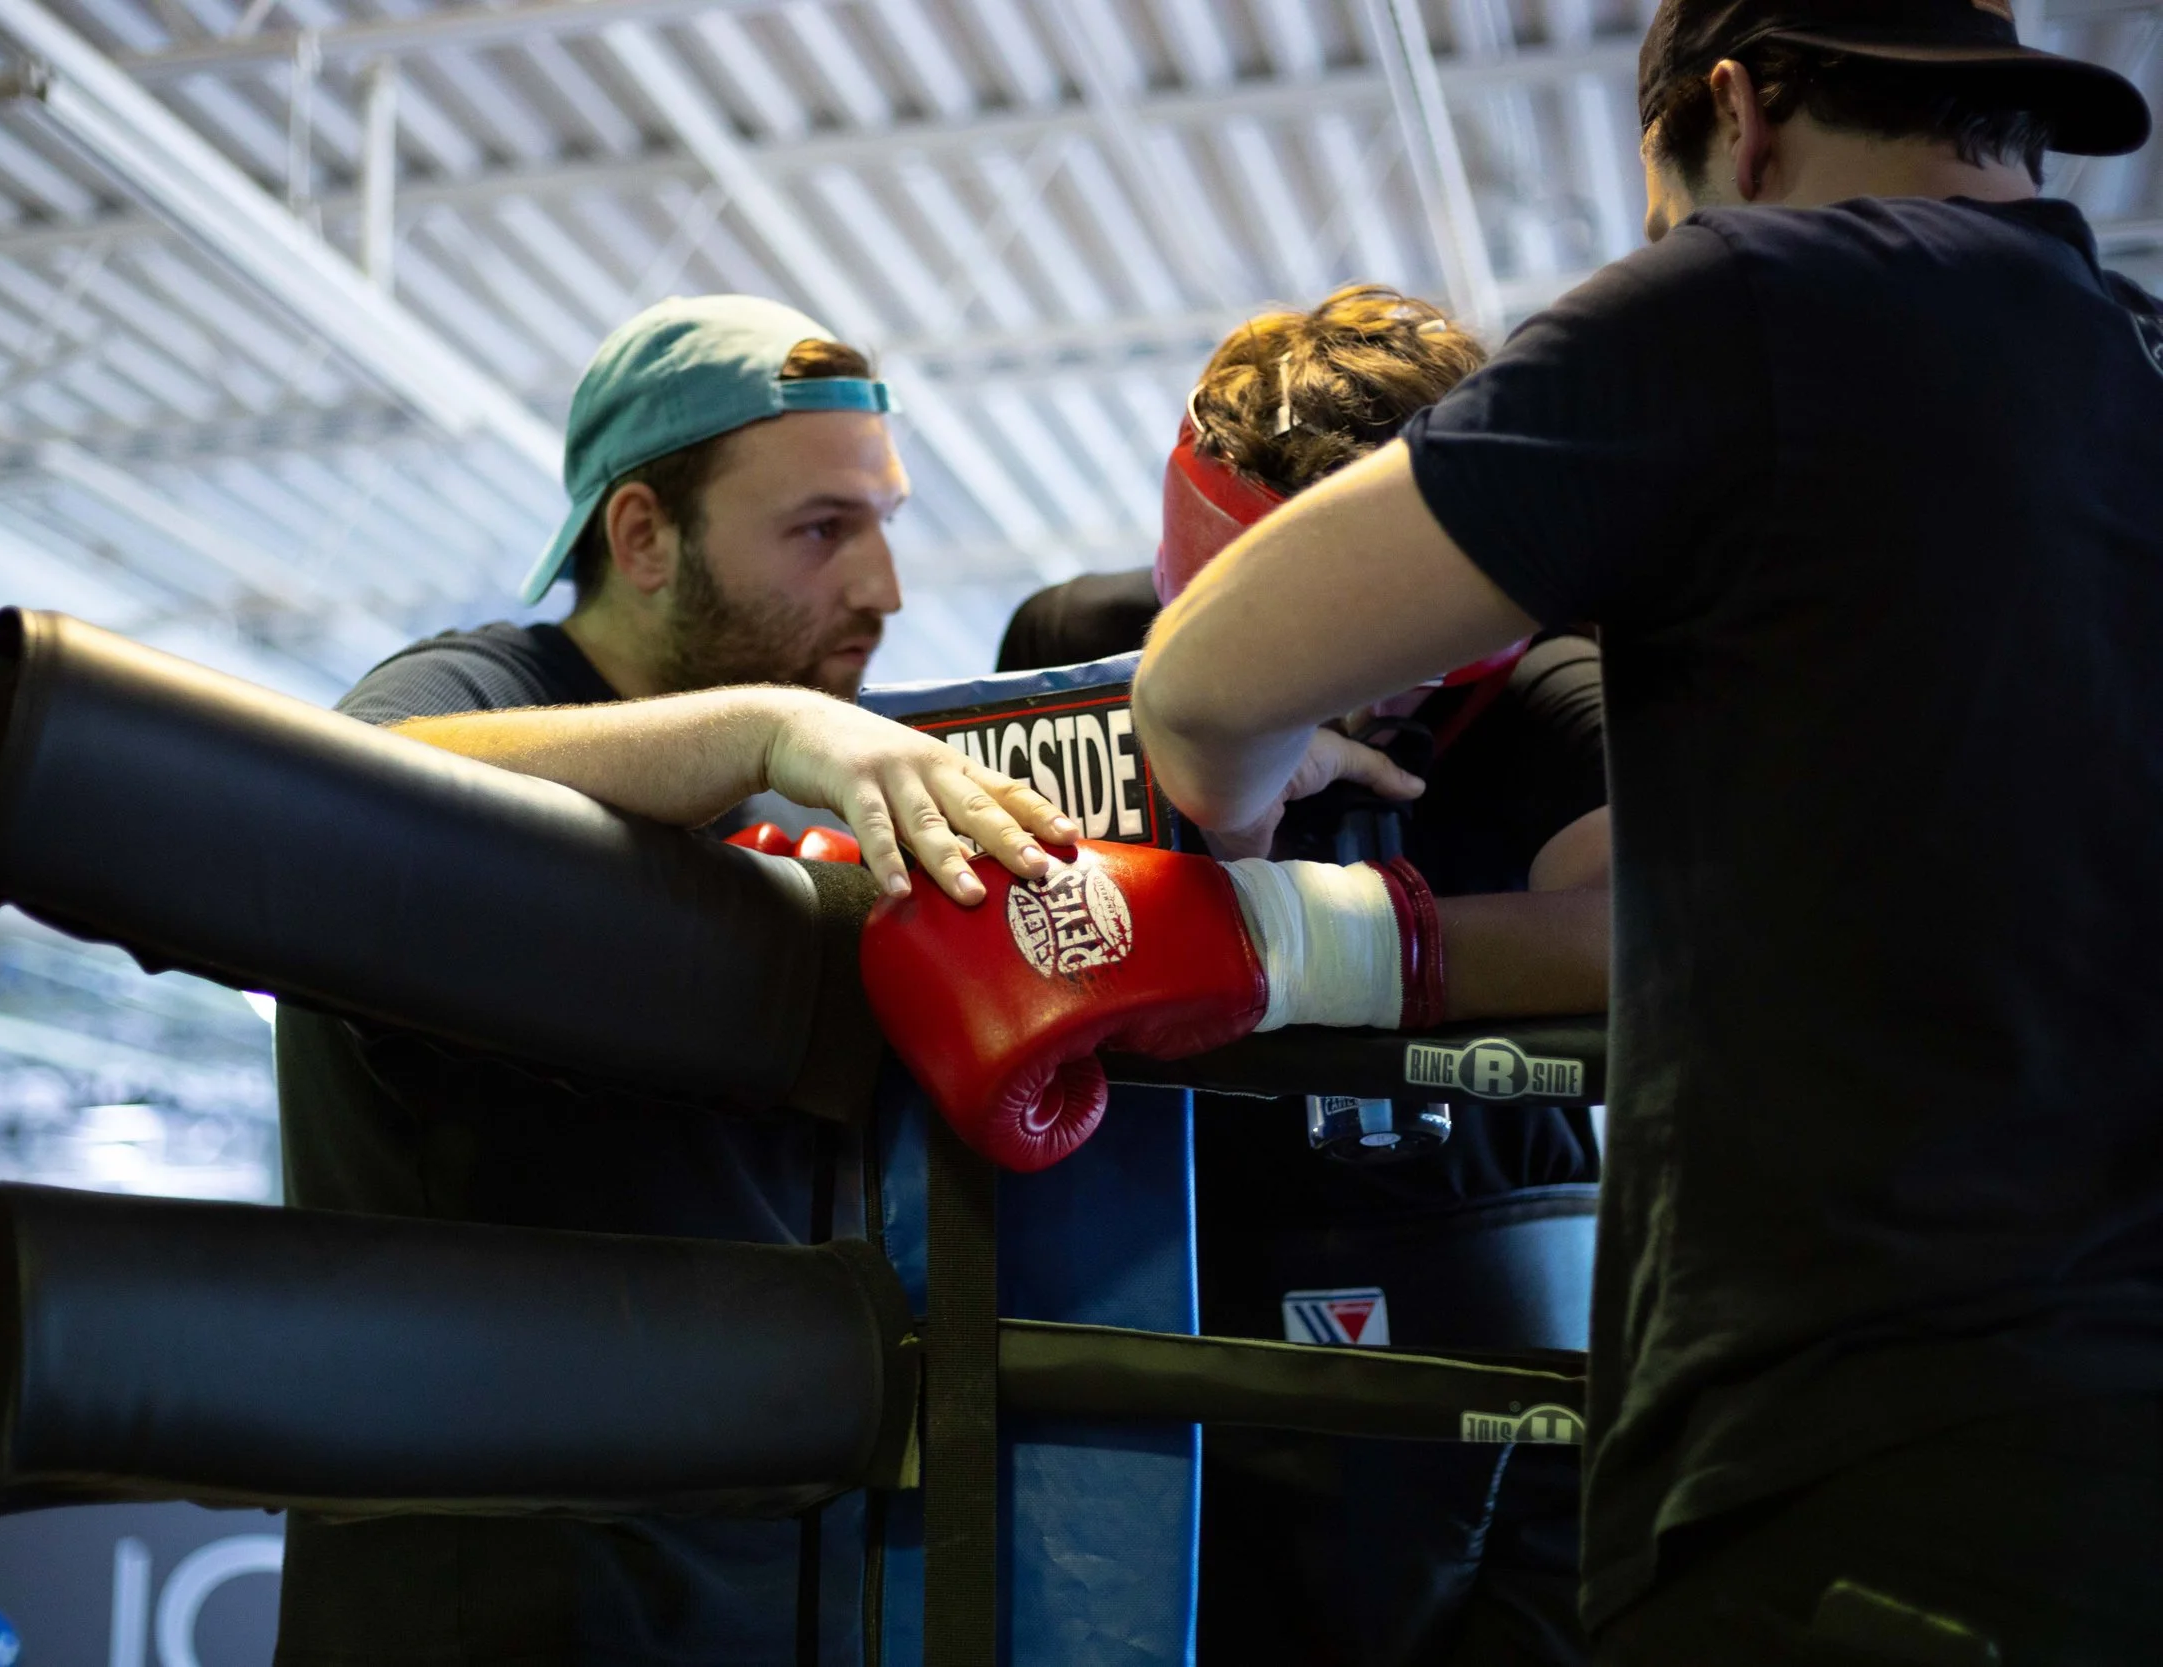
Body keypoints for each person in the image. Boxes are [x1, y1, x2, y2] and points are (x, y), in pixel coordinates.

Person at [1131, 3, 2162, 1662]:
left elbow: (1197, 683)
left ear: (1734, 116)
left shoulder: (1760, 291)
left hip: (1875, 1445)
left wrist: (1261, 899)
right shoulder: (2132, 361)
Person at [269, 295, 1072, 1666]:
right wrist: (766, 725)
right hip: (493, 1600)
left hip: (760, 1566)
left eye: (884, 522)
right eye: (823, 529)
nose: (882, 587)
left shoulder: (817, 786)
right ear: (642, 536)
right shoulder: (483, 682)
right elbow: (338, 791)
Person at [995, 286, 1610, 1665]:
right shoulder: (1075, 649)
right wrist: (1238, 769)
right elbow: (1009, 934)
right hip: (1155, 1303)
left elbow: (1647, 923)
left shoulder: (1548, 689)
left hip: (1493, 1336)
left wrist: (1276, 931)